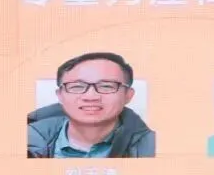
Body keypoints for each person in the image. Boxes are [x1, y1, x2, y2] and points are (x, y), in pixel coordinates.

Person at [27, 52, 156, 158]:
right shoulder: (26, 140)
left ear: (128, 95)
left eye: (106, 86)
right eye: (77, 86)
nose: (91, 97)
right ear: (60, 95)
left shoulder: (153, 148)